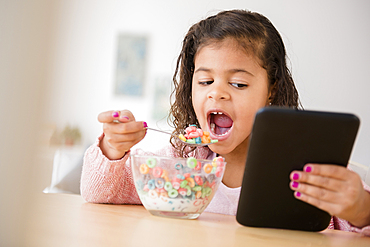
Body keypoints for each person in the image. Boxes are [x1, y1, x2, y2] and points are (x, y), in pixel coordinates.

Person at [81, 9, 370, 235]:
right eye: (205, 80)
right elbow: (100, 192)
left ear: (271, 90)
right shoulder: (178, 164)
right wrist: (113, 148)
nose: (217, 92)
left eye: (239, 84)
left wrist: (361, 209)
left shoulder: (302, 170)